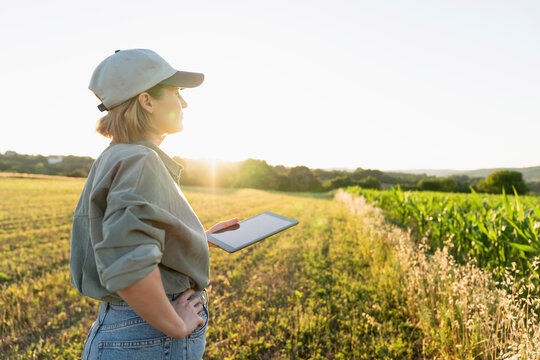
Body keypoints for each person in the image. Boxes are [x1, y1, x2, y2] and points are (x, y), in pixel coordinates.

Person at [70, 48, 238, 360]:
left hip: (130, 326)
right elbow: (127, 261)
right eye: (176, 92)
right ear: (147, 101)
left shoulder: (117, 155)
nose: (184, 102)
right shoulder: (140, 160)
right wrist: (174, 324)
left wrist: (192, 239)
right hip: (150, 334)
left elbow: (127, 237)